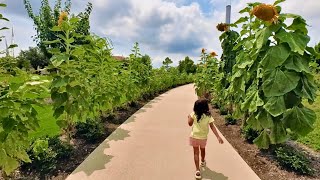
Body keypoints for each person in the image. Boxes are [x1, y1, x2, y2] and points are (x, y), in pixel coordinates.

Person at [188, 98, 224, 179]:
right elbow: (212, 126)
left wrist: (188, 117)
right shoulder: (208, 116)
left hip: (194, 136)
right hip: (203, 137)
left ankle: (197, 171)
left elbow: (189, 124)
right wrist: (218, 136)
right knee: (203, 149)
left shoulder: (193, 114)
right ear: (206, 107)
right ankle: (203, 161)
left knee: (195, 153)